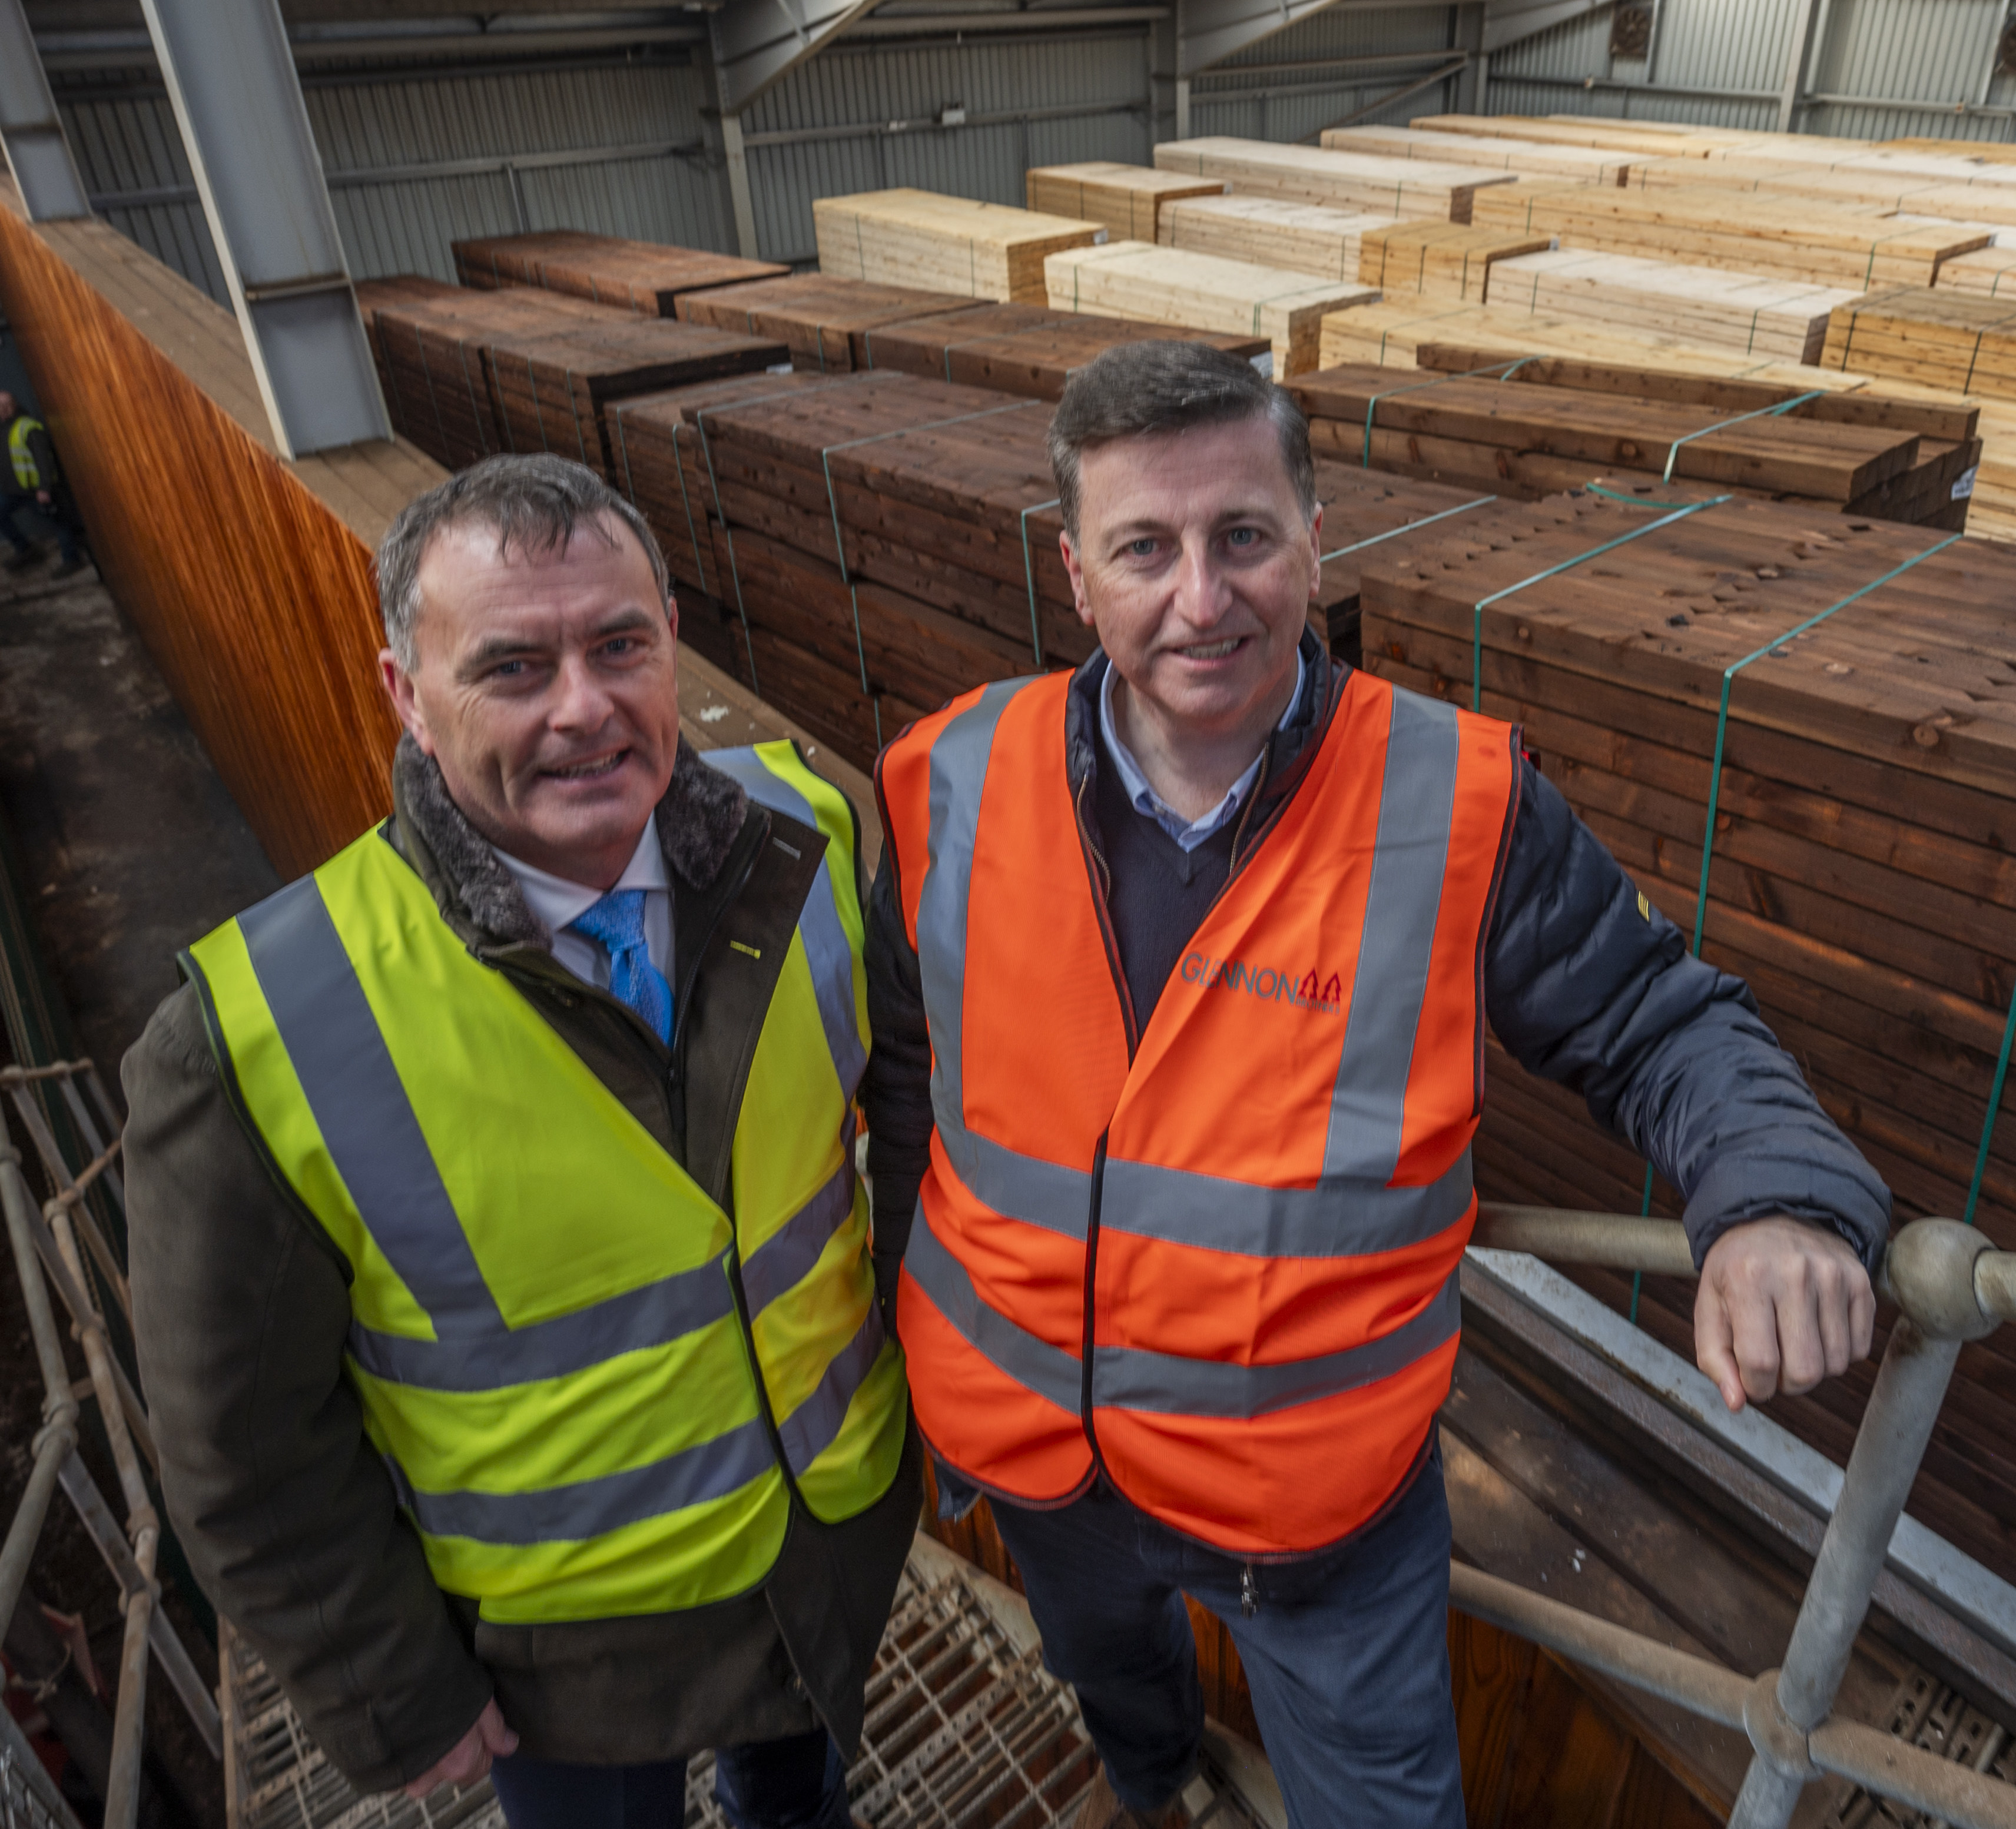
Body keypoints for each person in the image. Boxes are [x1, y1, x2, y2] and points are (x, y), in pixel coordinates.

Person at [863, 341, 1889, 1829]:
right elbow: (908, 1068)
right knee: (1119, 1701)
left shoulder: (1448, 803)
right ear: (1076, 573)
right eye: (1145, 548)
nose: (1202, 598)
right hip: (1039, 1464)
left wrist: (1776, 1199)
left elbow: (1659, 1022)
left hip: (1314, 1524)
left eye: (1244, 537)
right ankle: (1156, 1790)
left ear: (1315, 540)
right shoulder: (953, 774)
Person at [122, 453, 917, 1829]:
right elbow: (241, 1445)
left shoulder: (813, 831)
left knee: (804, 1804)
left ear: (672, 638)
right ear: (403, 695)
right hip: (562, 1665)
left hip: (825, 1554)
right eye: (510, 667)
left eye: (620, 645)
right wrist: (389, 1687)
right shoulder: (260, 1032)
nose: (584, 709)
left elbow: (910, 1122)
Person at [1, 389, 87, 578]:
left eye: (7, 405)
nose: (3, 409)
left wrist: (44, 488)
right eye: (0, 406)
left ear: (15, 405)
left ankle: (71, 559)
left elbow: (44, 461)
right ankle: (26, 550)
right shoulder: (3, 428)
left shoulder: (28, 427)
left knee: (59, 523)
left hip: (35, 490)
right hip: (14, 492)